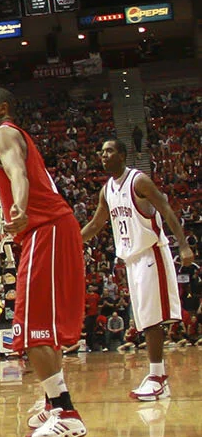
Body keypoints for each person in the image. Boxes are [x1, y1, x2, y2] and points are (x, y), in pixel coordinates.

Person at [0, 86, 87, 437]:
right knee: (45, 327)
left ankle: (65, 411)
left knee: (33, 324)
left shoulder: (2, 133)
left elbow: (17, 172)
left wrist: (19, 206)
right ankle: (51, 401)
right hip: (53, 227)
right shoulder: (15, 135)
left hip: (44, 227)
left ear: (3, 107)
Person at [80, 138, 195, 401]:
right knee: (143, 320)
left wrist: (183, 245)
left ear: (122, 155)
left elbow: (165, 208)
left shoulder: (139, 180)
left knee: (153, 318)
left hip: (151, 251)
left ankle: (158, 376)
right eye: (101, 151)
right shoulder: (107, 190)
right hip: (131, 259)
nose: (103, 155)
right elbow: (97, 224)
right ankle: (156, 375)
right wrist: (70, 243)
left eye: (109, 151)